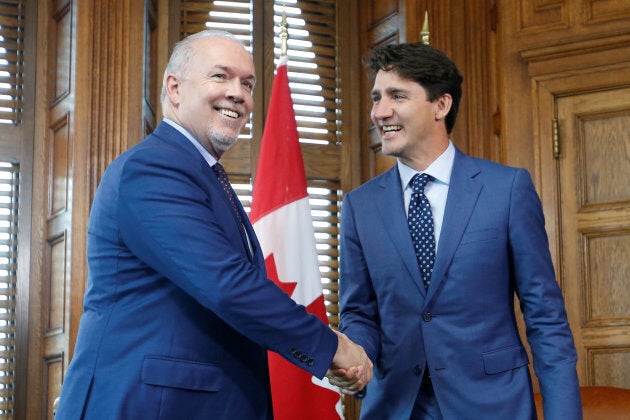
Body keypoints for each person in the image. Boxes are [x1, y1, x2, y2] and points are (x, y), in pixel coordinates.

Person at [55, 30, 371, 419]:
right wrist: (332, 347)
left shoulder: (203, 173)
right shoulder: (153, 168)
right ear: (174, 89)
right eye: (220, 76)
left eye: (248, 83)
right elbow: (228, 285)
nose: (239, 93)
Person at [335, 42, 582, 419]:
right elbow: (359, 313)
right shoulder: (359, 206)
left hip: (493, 406)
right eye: (376, 98)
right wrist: (356, 356)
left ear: (441, 105)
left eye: (397, 96)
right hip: (397, 407)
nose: (380, 112)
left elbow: (545, 317)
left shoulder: (507, 190)